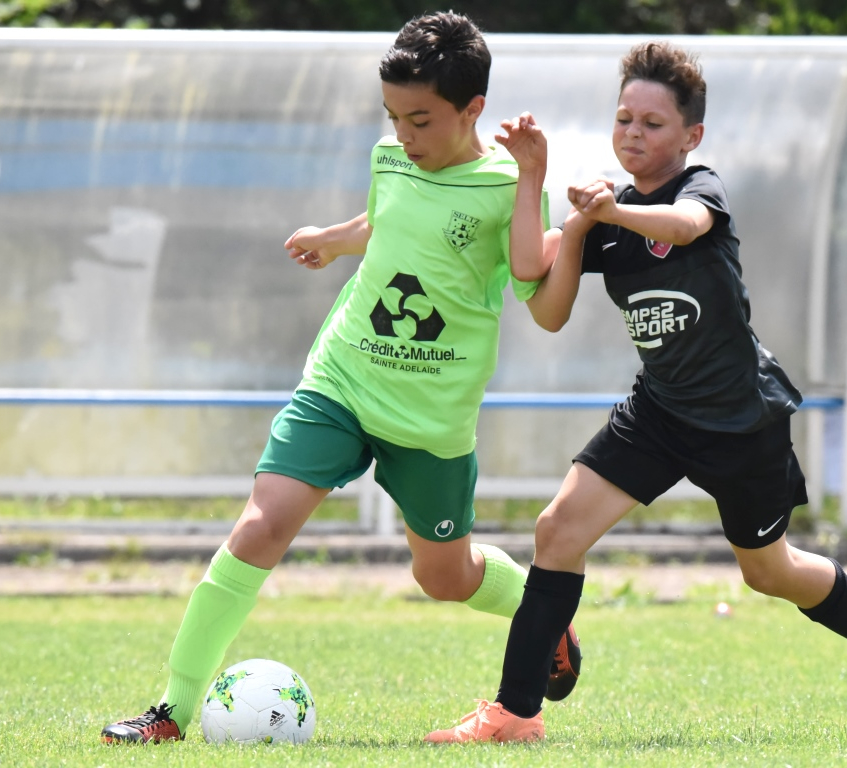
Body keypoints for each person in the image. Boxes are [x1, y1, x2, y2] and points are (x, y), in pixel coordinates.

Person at [425, 41, 847, 744]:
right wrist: (539, 182)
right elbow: (542, 298)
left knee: (768, 572)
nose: (633, 133)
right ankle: (516, 714)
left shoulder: (699, 188)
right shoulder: (608, 215)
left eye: (652, 123)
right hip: (658, 413)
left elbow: (685, 225)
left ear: (691, 136)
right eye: (624, 119)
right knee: (557, 531)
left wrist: (612, 214)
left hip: (741, 421)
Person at [100, 11, 581, 744]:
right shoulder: (390, 157)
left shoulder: (507, 184)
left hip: (431, 416)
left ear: (472, 109)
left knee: (443, 578)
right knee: (260, 527)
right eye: (393, 118)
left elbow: (524, 273)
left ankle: (541, 611)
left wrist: (533, 178)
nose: (404, 136)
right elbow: (388, 220)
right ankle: (171, 710)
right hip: (342, 380)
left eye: (420, 120)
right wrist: (335, 239)